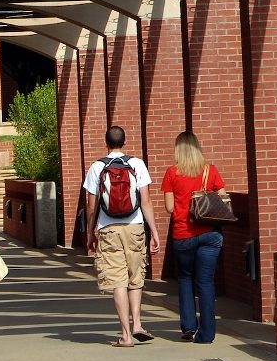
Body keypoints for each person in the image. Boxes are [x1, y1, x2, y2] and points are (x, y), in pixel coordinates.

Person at [84, 125, 160, 347]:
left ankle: (126, 335)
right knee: (135, 277)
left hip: (108, 230)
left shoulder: (97, 167)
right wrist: (154, 232)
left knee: (117, 280)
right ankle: (137, 323)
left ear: (106, 142)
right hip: (135, 226)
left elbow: (91, 207)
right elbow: (145, 201)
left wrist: (90, 233)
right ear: (124, 142)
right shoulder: (137, 164)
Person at [158, 131, 227, 343]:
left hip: (183, 234)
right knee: (206, 282)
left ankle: (188, 325)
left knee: (186, 278)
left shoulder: (172, 173)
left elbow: (170, 208)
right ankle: (207, 334)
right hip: (209, 233)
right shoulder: (210, 170)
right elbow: (223, 198)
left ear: (178, 149)